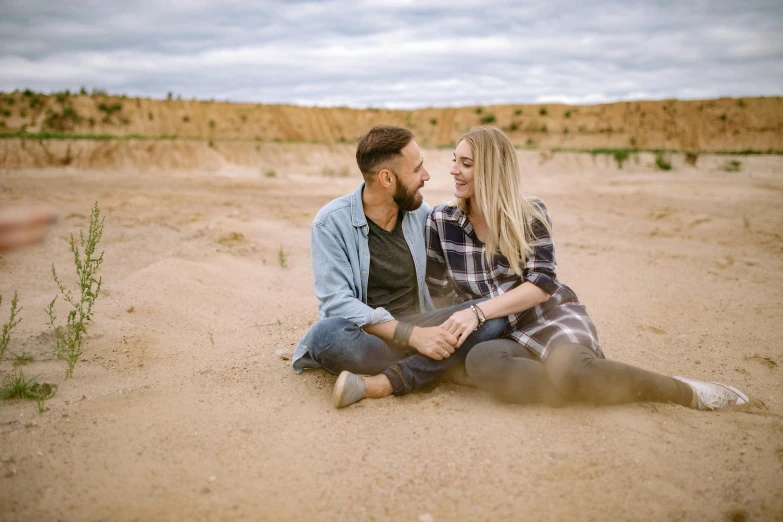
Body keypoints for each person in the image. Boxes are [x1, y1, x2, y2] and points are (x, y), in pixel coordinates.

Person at [424, 126, 748, 411]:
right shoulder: (442, 221)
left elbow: (542, 283)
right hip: (502, 333)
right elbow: (436, 293)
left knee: (573, 372)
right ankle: (584, 382)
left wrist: (478, 313)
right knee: (483, 362)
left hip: (548, 316)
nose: (454, 170)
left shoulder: (530, 213)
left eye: (466, 164)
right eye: (454, 160)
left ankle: (684, 391)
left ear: (493, 170)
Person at [291, 125, 506, 408]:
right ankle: (442, 365)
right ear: (387, 178)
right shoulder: (330, 223)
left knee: (489, 314)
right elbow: (336, 304)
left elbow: (447, 285)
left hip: (423, 324)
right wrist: (413, 337)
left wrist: (440, 326)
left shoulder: (423, 214)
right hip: (369, 336)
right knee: (326, 336)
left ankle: (394, 378)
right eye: (417, 170)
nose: (426, 176)